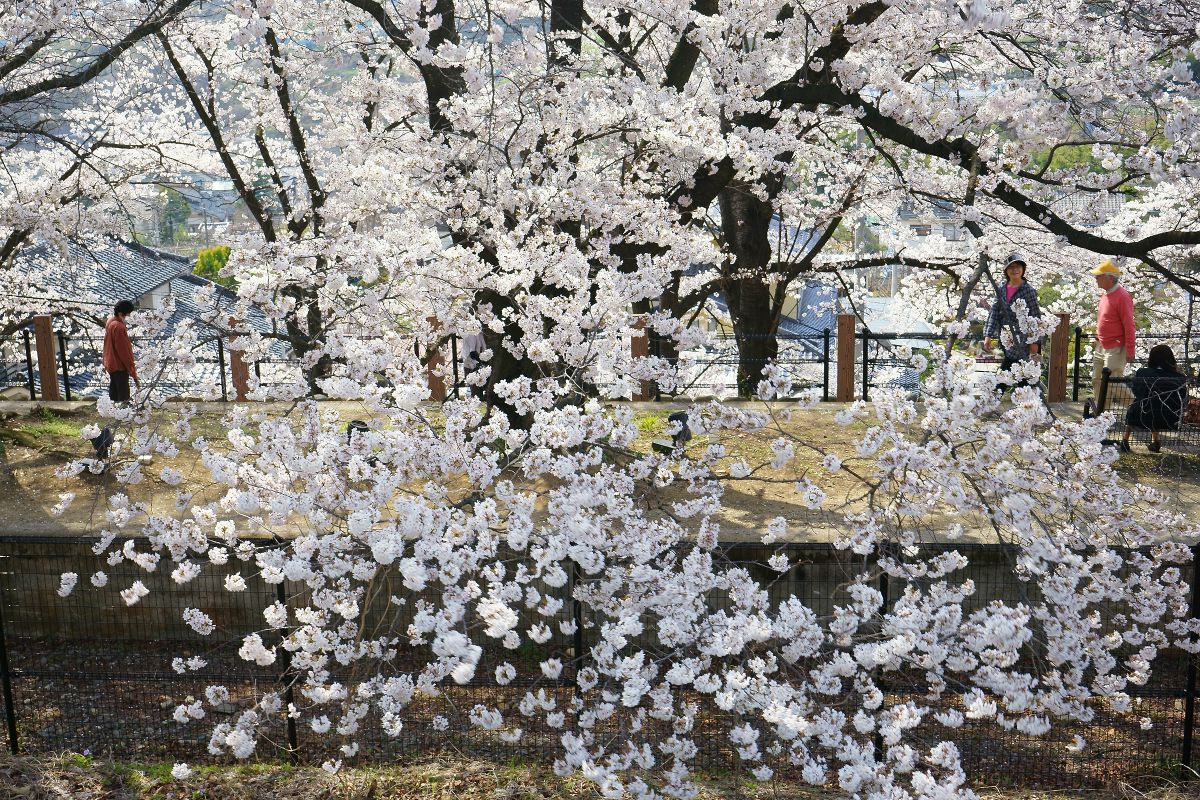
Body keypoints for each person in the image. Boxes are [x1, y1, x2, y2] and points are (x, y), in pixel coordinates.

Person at [983, 253, 1042, 392]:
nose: (1015, 270)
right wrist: (988, 335)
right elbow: (994, 312)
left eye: (1018, 266)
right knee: (1019, 369)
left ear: (1023, 269)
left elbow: (1035, 317)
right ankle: (1026, 400)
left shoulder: (1028, 290)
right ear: (1006, 271)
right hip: (1006, 337)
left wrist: (1035, 343)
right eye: (1011, 267)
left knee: (1014, 366)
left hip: (1024, 338)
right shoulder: (1002, 288)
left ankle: (996, 395)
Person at [1121, 344, 1187, 453]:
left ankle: (1125, 439)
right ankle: (1156, 442)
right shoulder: (1179, 377)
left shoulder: (1143, 373)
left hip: (1143, 413)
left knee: (1140, 404)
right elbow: (1182, 396)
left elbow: (1136, 391)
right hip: (1170, 416)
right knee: (1156, 404)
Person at [1091, 260, 1136, 403]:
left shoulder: (1122, 296)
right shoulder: (1105, 295)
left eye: (1099, 276)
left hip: (1116, 346)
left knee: (1112, 382)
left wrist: (1130, 349)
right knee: (1097, 380)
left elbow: (1129, 325)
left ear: (1109, 277)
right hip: (1101, 345)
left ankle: (1137, 409)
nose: (1096, 279)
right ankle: (1102, 417)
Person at [102, 299, 139, 403]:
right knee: (123, 395)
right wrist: (131, 368)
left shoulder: (110, 322)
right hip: (119, 365)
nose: (127, 318)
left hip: (110, 362)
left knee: (114, 392)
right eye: (126, 315)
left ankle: (114, 412)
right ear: (120, 313)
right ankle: (123, 415)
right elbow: (123, 351)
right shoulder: (118, 327)